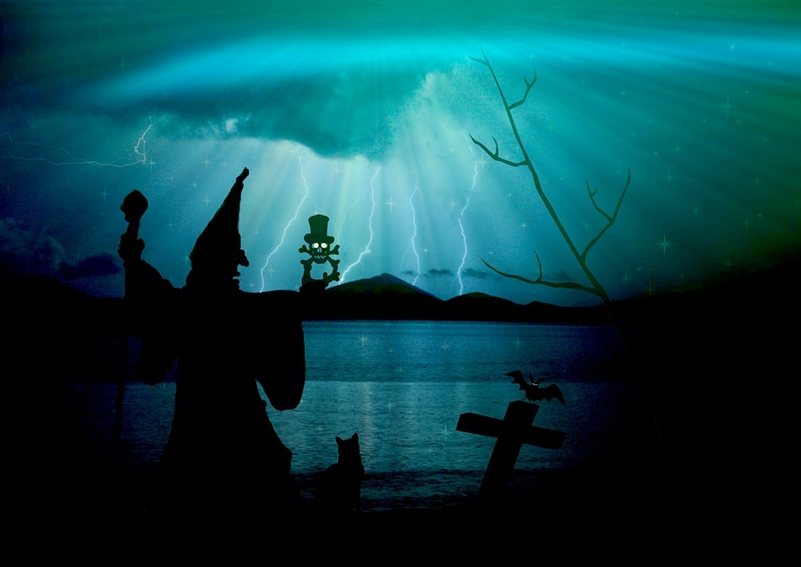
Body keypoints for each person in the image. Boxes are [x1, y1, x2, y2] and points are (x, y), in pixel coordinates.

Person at [118, 167, 306, 516]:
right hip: (250, 452)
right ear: (233, 266)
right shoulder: (250, 313)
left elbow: (151, 367)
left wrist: (135, 267)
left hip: (192, 453)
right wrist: (135, 266)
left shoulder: (185, 308)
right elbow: (285, 396)